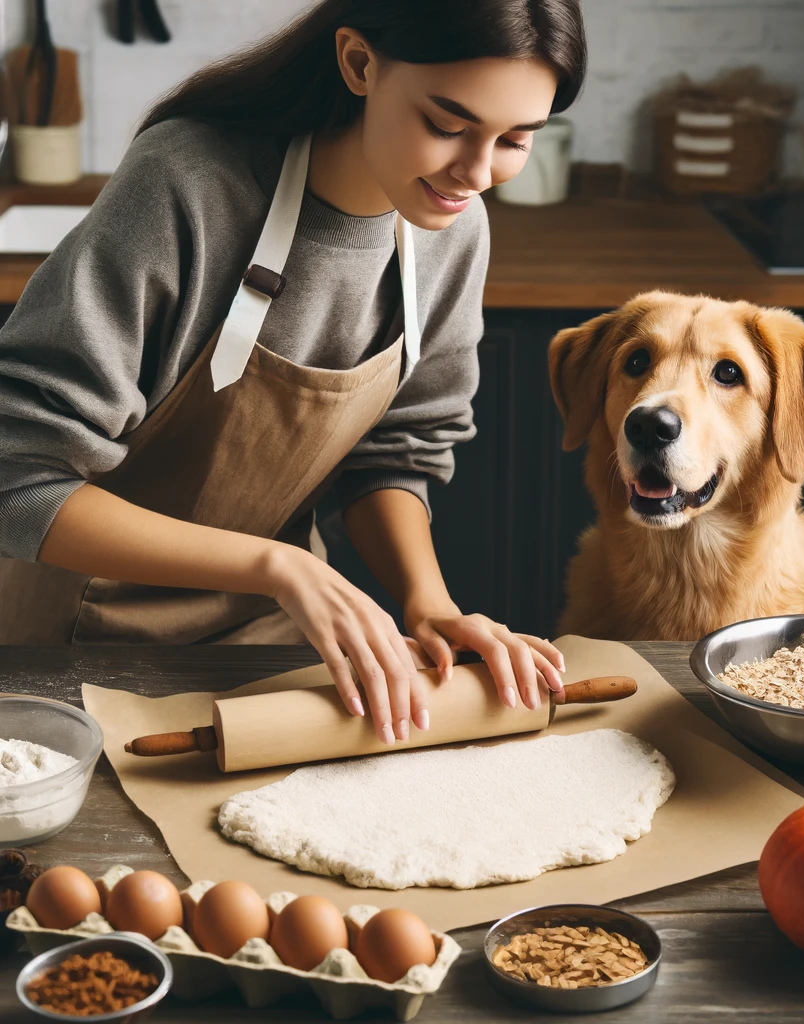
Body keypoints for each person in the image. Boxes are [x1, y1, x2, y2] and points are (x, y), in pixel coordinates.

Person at [0, 0, 587, 746]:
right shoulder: (189, 184)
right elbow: (17, 481)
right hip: (69, 656)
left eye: (514, 140)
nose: (475, 172)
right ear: (359, 63)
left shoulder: (453, 229)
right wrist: (279, 565)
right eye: (446, 124)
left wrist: (428, 605)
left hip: (273, 646)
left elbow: (395, 454)